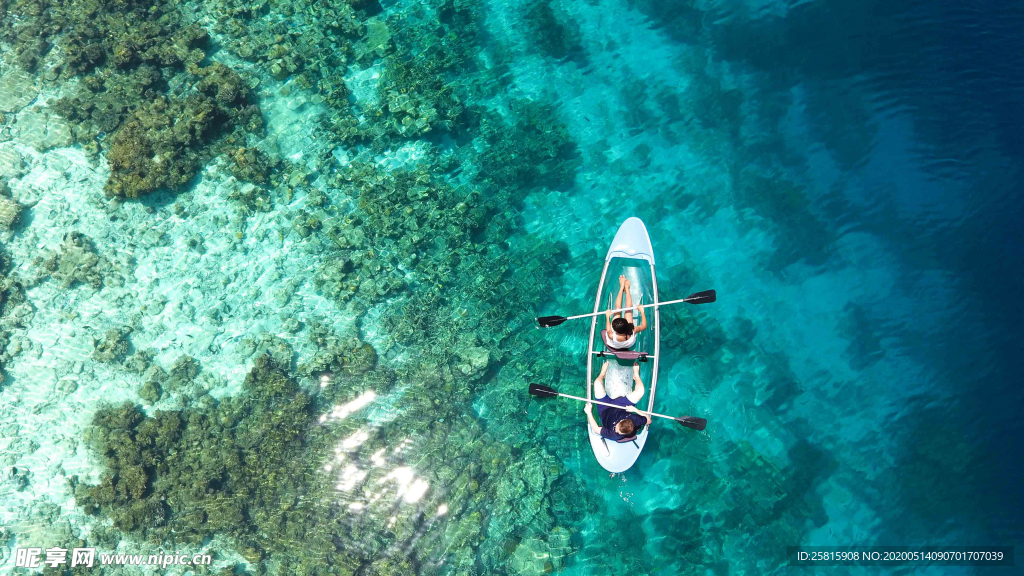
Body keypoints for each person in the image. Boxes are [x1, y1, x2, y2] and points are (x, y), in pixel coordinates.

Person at [583, 361, 651, 442]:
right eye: (617, 427)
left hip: (605, 409)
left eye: (618, 431)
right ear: (622, 420)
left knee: (597, 384)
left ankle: (602, 373)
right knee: (640, 391)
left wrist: (589, 412)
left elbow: (595, 429)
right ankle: (635, 376)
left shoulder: (614, 435)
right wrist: (635, 410)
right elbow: (649, 421)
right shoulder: (634, 420)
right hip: (621, 406)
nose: (615, 430)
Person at [604, 275, 647, 350]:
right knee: (628, 310)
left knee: (617, 310)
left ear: (614, 330)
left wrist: (608, 318)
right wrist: (642, 312)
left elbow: (608, 328)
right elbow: (644, 325)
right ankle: (627, 289)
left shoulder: (611, 335)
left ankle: (622, 287)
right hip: (628, 344)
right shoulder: (632, 330)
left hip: (615, 345)